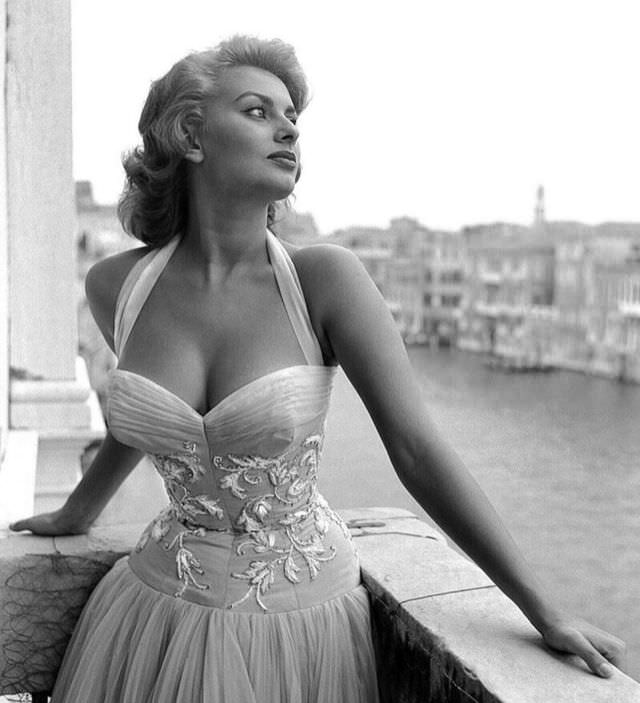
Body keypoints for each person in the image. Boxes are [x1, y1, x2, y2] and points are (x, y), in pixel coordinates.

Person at [10, 35, 625, 702]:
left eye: (292, 118)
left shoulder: (326, 279)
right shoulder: (114, 286)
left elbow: (416, 450)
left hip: (300, 631)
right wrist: (78, 509)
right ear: (191, 133)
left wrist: (542, 606)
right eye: (257, 111)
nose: (287, 130)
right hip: (151, 615)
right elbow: (156, 419)